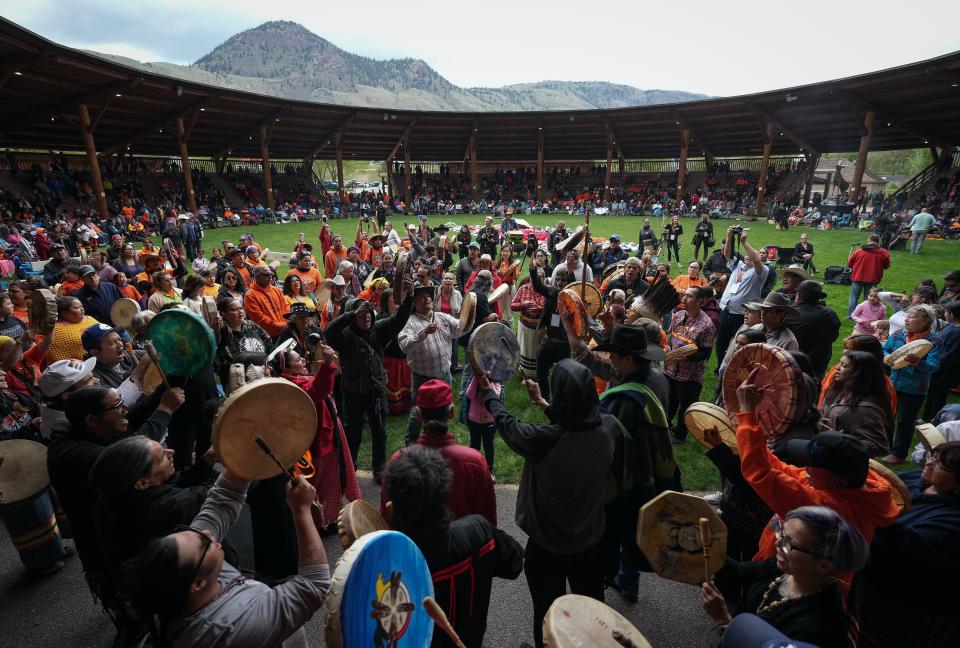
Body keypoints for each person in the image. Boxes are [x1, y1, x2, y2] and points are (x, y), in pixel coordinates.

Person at [477, 360, 615, 647]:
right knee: (591, 611)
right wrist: (544, 404)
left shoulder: (543, 440)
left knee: (547, 612)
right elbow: (576, 422)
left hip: (548, 545)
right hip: (590, 541)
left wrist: (490, 395)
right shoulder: (609, 428)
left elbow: (509, 426)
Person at [130, 471, 330, 647]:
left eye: (190, 531)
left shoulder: (184, 580)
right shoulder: (229, 630)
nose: (208, 535)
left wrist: (241, 454)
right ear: (197, 583)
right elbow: (314, 585)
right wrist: (302, 511)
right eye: (204, 543)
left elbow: (221, 502)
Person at [734, 377, 899, 578]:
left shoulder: (827, 510)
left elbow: (761, 474)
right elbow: (780, 469)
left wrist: (747, 415)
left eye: (813, 468)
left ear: (839, 481)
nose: (806, 470)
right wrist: (750, 424)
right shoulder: (842, 485)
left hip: (793, 581)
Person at [382, 446, 523, 648]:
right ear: (444, 494)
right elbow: (515, 563)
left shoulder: (386, 564)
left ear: (393, 505)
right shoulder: (479, 532)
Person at [46, 385, 184, 577]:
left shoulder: (91, 427)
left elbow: (135, 413)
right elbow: (135, 454)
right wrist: (164, 411)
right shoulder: (82, 456)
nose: (125, 408)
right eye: (118, 406)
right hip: (108, 546)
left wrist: (168, 384)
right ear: (91, 420)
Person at [700, 506, 869, 648]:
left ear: (824, 565)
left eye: (789, 543)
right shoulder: (787, 569)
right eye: (781, 534)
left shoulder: (814, 626)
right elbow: (739, 572)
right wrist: (706, 548)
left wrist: (724, 621)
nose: (777, 544)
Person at [852, 441, 960, 648]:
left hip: (906, 604)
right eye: (932, 457)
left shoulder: (952, 522)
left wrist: (862, 510)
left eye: (941, 466)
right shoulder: (918, 481)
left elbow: (899, 550)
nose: (929, 463)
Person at [381, 379, 497, 524]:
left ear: (418, 415)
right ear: (451, 413)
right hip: (462, 545)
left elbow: (387, 521)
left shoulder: (396, 461)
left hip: (414, 546)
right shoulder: (475, 462)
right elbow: (488, 522)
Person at [326, 291, 412, 480]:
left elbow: (400, 319)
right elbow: (328, 332)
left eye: (368, 314)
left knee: (380, 431)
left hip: (377, 392)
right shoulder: (345, 337)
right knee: (353, 434)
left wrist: (409, 297)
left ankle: (379, 468)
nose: (366, 317)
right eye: (360, 314)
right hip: (353, 394)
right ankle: (350, 468)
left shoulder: (378, 330)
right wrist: (350, 315)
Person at [278, 346, 361, 527]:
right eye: (298, 360)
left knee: (335, 476)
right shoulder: (291, 385)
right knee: (326, 480)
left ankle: (327, 516)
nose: (303, 360)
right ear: (286, 368)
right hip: (321, 441)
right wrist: (327, 366)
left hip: (329, 432)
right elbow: (318, 391)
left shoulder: (296, 378)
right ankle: (323, 522)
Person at [398, 285, 464, 446]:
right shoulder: (409, 321)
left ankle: (440, 440)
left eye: (428, 296)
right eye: (421, 297)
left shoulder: (441, 317)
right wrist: (423, 333)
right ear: (414, 303)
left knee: (444, 409)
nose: (426, 298)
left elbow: (460, 329)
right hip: (422, 378)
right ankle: (411, 443)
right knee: (418, 412)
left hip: (444, 374)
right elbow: (404, 345)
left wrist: (470, 316)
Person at [882, 304, 941, 464]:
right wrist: (886, 356)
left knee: (905, 421)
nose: (906, 319)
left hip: (914, 388)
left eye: (911, 317)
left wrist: (918, 362)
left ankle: (899, 453)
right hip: (893, 383)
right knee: (888, 416)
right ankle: (884, 445)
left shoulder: (933, 340)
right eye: (906, 316)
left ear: (924, 321)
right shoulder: (899, 334)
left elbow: (933, 367)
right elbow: (886, 348)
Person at [665, 287, 716, 443]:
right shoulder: (677, 315)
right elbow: (671, 337)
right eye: (684, 295)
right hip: (669, 370)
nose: (684, 298)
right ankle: (665, 427)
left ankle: (681, 434)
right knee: (669, 400)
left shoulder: (707, 325)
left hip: (689, 376)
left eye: (689, 296)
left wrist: (685, 357)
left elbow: (705, 354)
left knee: (686, 406)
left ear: (700, 301)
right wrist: (668, 347)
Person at [818, 350, 892, 457]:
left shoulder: (867, 410)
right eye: (839, 363)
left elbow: (879, 446)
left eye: (844, 366)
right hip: (823, 449)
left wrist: (843, 440)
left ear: (859, 372)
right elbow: (823, 412)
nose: (837, 368)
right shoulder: (838, 390)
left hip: (842, 462)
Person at [714, 227, 769, 368]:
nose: (747, 256)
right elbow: (727, 254)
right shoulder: (738, 266)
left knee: (739, 343)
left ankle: (737, 368)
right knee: (721, 341)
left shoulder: (761, 272)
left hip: (742, 314)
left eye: (750, 255)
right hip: (726, 310)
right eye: (745, 255)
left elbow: (756, 259)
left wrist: (744, 242)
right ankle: (721, 365)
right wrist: (729, 236)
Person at [214, 297, 273, 390]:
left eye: (241, 308)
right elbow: (219, 365)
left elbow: (269, 343)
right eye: (234, 310)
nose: (240, 312)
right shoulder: (221, 335)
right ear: (223, 314)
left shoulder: (251, 325)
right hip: (239, 383)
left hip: (265, 375)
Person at [785, 280, 840, 379]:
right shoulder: (830, 314)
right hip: (819, 364)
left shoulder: (789, 315)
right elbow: (834, 337)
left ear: (798, 295)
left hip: (793, 364)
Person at [923, 301, 960, 420]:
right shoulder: (952, 325)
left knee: (937, 398)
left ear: (952, 315)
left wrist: (934, 365)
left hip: (944, 372)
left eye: (946, 312)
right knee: (931, 394)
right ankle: (925, 417)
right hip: (937, 369)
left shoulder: (957, 333)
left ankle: (933, 420)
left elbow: (950, 356)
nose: (945, 314)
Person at [846, 234, 890, 318]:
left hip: (858, 276)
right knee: (868, 298)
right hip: (873, 278)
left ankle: (850, 315)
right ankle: (865, 316)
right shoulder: (883, 252)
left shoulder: (859, 251)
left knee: (854, 297)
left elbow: (849, 263)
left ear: (868, 240)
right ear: (878, 241)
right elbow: (886, 265)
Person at [46, 296, 99, 363]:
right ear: (64, 313)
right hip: (79, 368)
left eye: (81, 306)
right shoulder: (56, 330)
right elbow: (57, 358)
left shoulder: (90, 319)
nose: (82, 309)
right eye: (76, 308)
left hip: (102, 361)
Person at [243, 266, 289, 338]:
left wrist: (286, 322)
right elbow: (259, 318)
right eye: (266, 275)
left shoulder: (276, 290)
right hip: (268, 336)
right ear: (257, 277)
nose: (270, 277)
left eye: (271, 274)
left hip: (285, 330)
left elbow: (286, 306)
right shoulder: (250, 295)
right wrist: (281, 325)